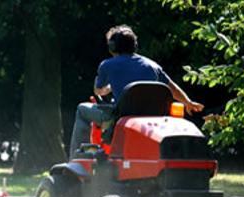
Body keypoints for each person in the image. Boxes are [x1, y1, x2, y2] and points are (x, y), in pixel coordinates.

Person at [69, 24, 204, 159]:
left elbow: (99, 91)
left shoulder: (107, 65)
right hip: (153, 119)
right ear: (134, 45)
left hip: (119, 118)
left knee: (82, 109)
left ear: (112, 47)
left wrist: (109, 88)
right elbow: (172, 88)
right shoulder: (152, 65)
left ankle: (78, 158)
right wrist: (188, 102)